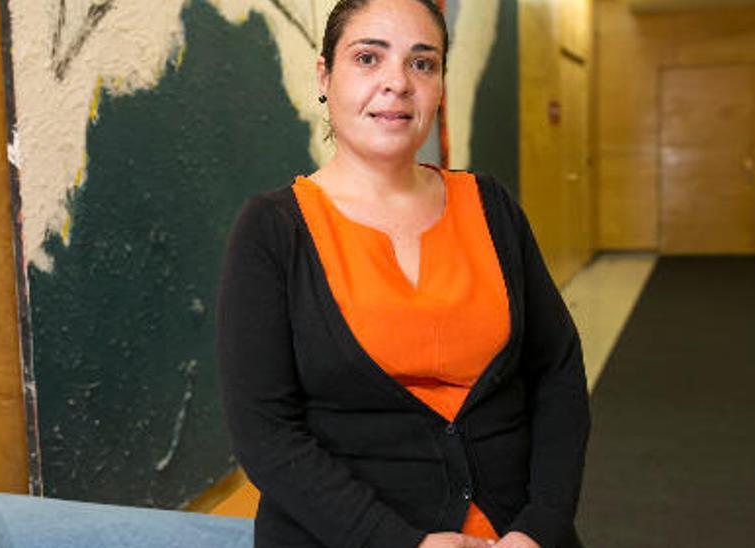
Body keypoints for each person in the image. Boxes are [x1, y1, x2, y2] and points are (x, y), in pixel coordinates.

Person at [216, 0, 590, 546]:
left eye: (422, 63)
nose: (397, 83)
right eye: (368, 58)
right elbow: (265, 435)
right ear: (325, 76)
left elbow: (556, 368)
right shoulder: (273, 229)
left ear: (439, 83)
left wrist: (543, 524)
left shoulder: (492, 207)